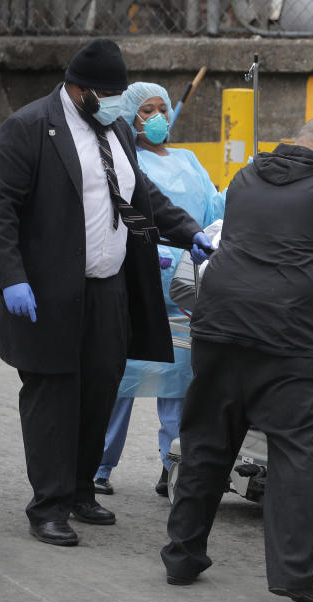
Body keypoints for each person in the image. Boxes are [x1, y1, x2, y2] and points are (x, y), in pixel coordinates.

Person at [0, 39, 214, 547]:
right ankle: (48, 505)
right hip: (46, 289)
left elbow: (140, 196)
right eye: (104, 93)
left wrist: (187, 229)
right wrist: (11, 276)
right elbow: (0, 209)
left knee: (100, 388)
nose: (111, 102)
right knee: (53, 396)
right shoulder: (29, 128)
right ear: (76, 88)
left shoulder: (117, 131)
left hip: (108, 288)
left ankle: (82, 490)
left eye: (117, 93)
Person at [160, 117, 313, 602]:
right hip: (288, 340)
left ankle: (182, 557)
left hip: (220, 325)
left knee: (207, 441)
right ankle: (293, 576)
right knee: (297, 454)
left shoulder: (245, 179)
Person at [92, 82, 225, 497]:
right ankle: (97, 466)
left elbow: (211, 209)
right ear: (130, 119)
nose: (158, 118)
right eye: (147, 111)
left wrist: (240, 187)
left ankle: (174, 467)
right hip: (141, 282)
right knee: (120, 382)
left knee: (178, 384)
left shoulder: (189, 160)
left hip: (187, 285)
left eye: (161, 109)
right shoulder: (127, 161)